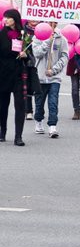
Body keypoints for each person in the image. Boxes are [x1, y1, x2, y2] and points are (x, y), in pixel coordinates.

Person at [32, 22, 68, 139]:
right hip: (40, 77)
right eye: (49, 22)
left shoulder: (61, 38)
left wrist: (54, 70)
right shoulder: (37, 37)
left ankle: (52, 125)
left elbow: (64, 56)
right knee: (39, 102)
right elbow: (37, 53)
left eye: (54, 22)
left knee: (53, 102)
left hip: (54, 78)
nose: (52, 24)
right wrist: (48, 41)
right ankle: (38, 120)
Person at [0, 9, 28, 146]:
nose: (5, 20)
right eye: (5, 17)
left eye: (8, 17)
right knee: (2, 105)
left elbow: (30, 55)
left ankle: (18, 136)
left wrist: (25, 55)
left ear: (15, 19)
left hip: (18, 75)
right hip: (3, 74)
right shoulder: (1, 34)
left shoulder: (23, 35)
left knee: (20, 105)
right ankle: (2, 132)